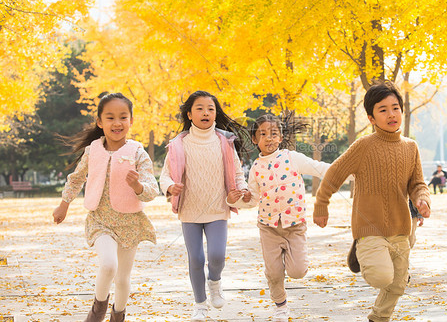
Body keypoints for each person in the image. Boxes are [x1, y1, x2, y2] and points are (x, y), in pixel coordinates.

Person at [313, 81, 431, 322]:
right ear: (371, 118)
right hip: (370, 228)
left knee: (398, 284)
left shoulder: (411, 147)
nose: (391, 114)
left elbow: (417, 183)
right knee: (381, 277)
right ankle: (362, 250)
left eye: (395, 107)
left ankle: (378, 318)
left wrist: (422, 199)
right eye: (383, 109)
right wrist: (321, 204)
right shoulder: (363, 146)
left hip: (401, 228)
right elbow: (334, 174)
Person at [52, 93, 159, 322]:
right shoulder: (93, 150)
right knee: (109, 264)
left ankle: (118, 315)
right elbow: (76, 178)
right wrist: (64, 205)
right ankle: (97, 311)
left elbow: (152, 189)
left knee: (122, 278)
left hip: (130, 222)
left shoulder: (138, 152)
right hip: (100, 220)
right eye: (110, 117)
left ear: (131, 120)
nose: (117, 123)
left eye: (123, 117)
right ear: (100, 122)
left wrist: (138, 186)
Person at [227, 113, 332, 322]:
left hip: (295, 225)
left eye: (274, 133)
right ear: (255, 139)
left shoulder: (292, 158)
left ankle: (290, 259)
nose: (269, 138)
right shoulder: (256, 168)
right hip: (268, 227)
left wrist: (350, 172)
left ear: (281, 136)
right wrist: (235, 200)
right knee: (274, 273)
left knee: (298, 271)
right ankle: (281, 306)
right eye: (263, 134)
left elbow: (320, 169)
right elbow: (253, 199)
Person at [159, 90, 249, 322]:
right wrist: (170, 188)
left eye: (211, 109)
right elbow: (165, 175)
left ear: (215, 114)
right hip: (190, 210)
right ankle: (200, 304)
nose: (206, 113)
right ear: (189, 114)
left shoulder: (224, 141)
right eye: (199, 108)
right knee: (196, 259)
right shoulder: (179, 145)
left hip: (218, 209)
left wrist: (243, 189)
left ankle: (215, 282)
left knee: (217, 255)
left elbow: (238, 173)